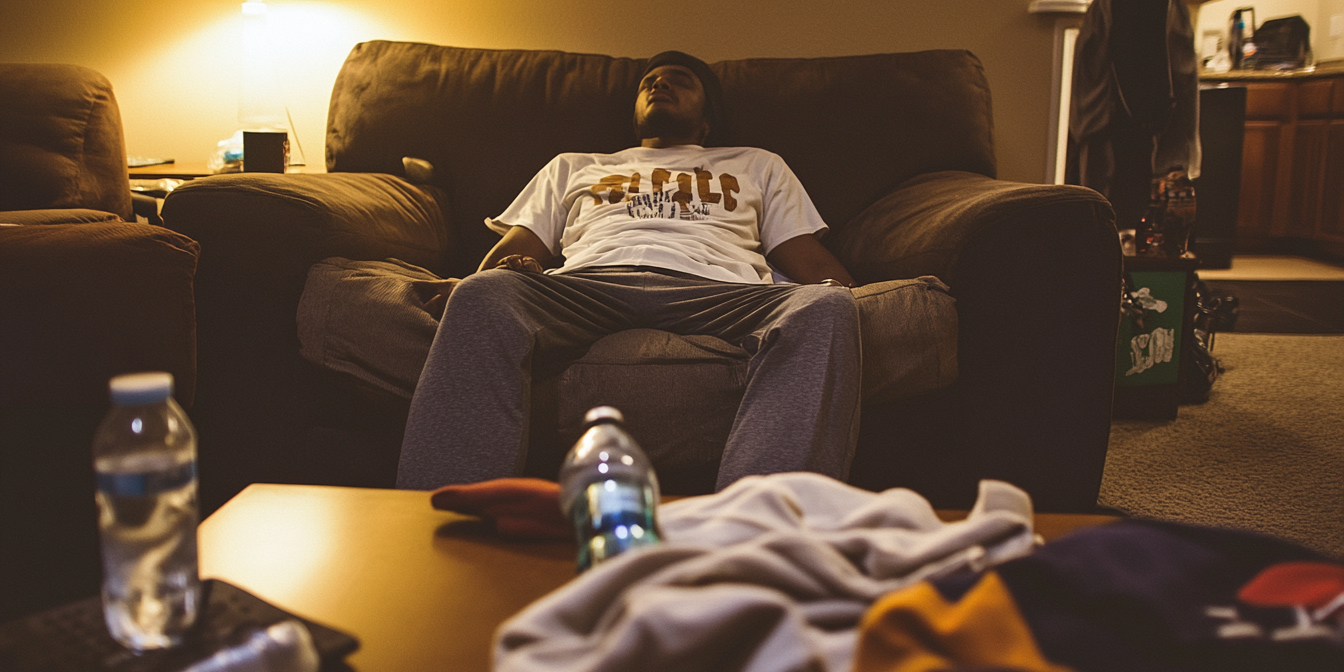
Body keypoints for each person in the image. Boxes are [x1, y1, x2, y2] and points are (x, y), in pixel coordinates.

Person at [397, 51, 862, 492]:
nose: (660, 83)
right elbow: (514, 252)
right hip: (588, 284)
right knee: (484, 294)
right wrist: (486, 280)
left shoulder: (757, 163)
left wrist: (848, 295)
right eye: (650, 82)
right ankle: (441, 511)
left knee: (827, 305)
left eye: (680, 79)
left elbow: (806, 258)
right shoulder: (573, 166)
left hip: (717, 288)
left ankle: (760, 524)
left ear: (708, 117)